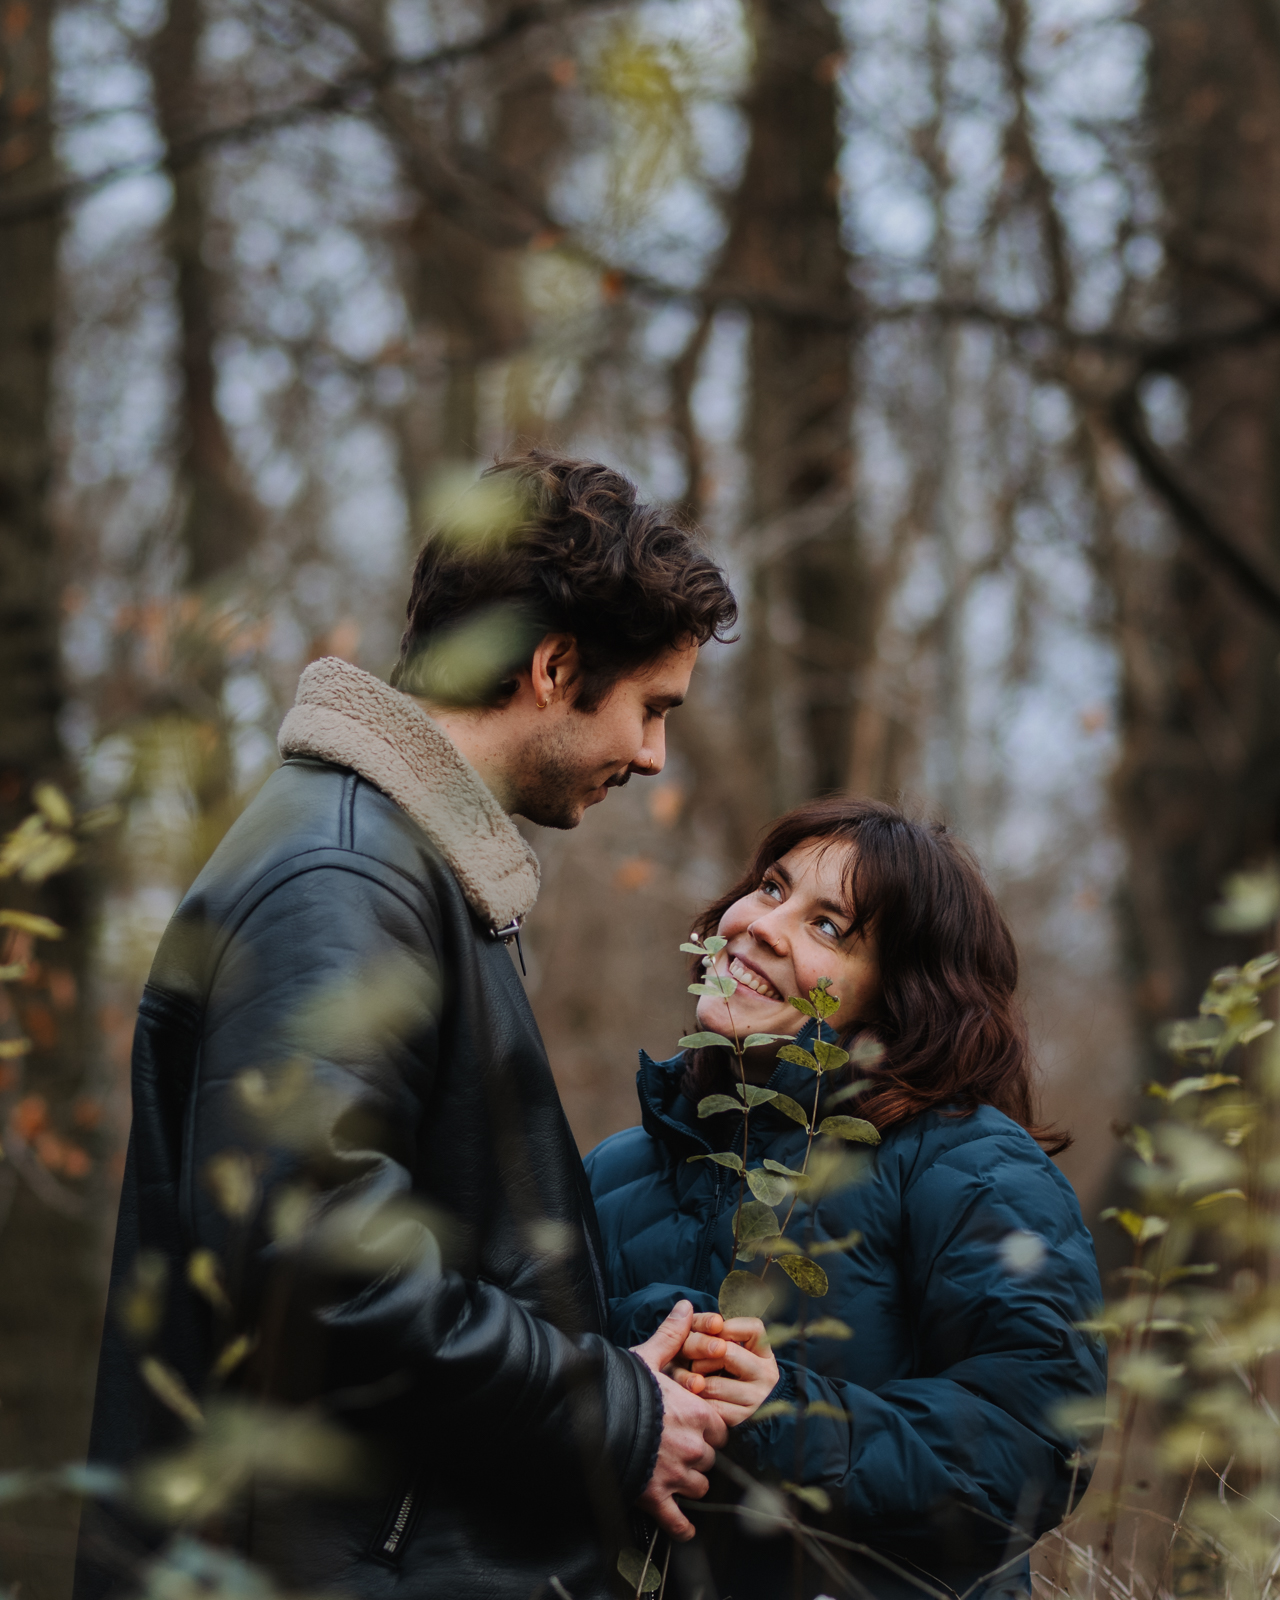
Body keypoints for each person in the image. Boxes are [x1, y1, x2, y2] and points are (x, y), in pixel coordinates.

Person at [74, 451, 738, 1600]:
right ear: (553, 665)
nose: (652, 755)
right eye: (650, 708)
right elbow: (321, 1266)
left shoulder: (393, 865)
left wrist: (614, 1369)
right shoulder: (342, 876)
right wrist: (610, 1413)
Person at [586, 798, 1107, 1600]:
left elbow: (1035, 1445)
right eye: (769, 886)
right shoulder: (619, 1168)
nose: (762, 924)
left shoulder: (970, 1167)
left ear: (899, 998)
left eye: (830, 928)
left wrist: (782, 1415)